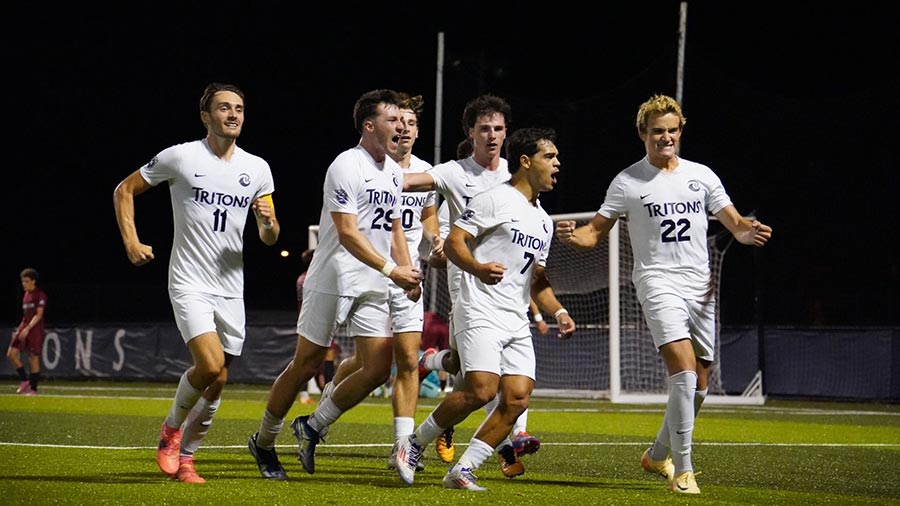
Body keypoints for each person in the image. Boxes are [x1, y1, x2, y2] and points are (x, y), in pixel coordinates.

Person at [555, 94, 773, 494]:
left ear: (680, 130)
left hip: (701, 286)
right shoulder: (627, 181)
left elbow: (735, 221)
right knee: (685, 371)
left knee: (701, 382)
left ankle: (657, 454)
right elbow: (594, 233)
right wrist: (573, 236)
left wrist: (746, 232)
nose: (666, 138)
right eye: (658, 131)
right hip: (657, 282)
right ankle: (684, 470)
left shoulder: (702, 176)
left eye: (672, 130)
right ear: (642, 133)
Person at [247, 88, 422, 481]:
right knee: (305, 364)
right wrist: (392, 269)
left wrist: (406, 273)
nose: (399, 126)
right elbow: (347, 232)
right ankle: (264, 441)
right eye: (392, 120)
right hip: (332, 278)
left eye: (402, 120)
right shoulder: (345, 165)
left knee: (377, 368)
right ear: (369, 125)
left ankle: (311, 426)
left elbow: (395, 229)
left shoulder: (394, 172)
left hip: (375, 281)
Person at [113, 82, 280, 484]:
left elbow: (270, 236)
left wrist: (268, 222)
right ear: (206, 116)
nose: (234, 114)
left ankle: (187, 458)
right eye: (224, 108)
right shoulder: (181, 157)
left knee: (219, 378)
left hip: (231, 287)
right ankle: (171, 432)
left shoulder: (257, 168)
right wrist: (132, 241)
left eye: (239, 108)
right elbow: (125, 190)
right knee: (209, 364)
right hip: (189, 281)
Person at [394, 127, 576, 490]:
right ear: (525, 161)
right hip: (479, 308)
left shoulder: (542, 219)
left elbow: (535, 278)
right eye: (549, 156)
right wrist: (478, 268)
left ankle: (462, 470)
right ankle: (412, 444)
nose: (557, 163)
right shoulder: (495, 199)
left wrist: (557, 312)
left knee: (518, 398)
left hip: (515, 318)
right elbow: (455, 241)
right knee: (481, 390)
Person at [406, 94, 540, 477]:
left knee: (480, 374)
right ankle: (508, 443)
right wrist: (372, 173)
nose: (493, 135)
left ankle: (432, 366)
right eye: (485, 128)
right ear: (471, 133)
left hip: (507, 291)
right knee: (483, 380)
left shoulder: (516, 178)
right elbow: (414, 188)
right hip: (468, 283)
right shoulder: (454, 172)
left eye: (499, 128)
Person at [311, 92, 441, 471]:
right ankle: (328, 404)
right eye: (398, 121)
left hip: (406, 272)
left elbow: (425, 221)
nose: (405, 129)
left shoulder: (423, 174)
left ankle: (403, 447)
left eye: (411, 124)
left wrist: (433, 242)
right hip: (369, 270)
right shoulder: (366, 167)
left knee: (405, 359)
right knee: (371, 362)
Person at [8, 268, 47, 395]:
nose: (24, 284)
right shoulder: (25, 296)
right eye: (22, 281)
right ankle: (25, 380)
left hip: (35, 329)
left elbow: (39, 315)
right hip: (24, 327)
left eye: (26, 281)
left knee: (33, 358)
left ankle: (34, 389)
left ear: (33, 281)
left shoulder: (40, 295)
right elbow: (25, 316)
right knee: (11, 354)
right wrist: (20, 328)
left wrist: (28, 328)